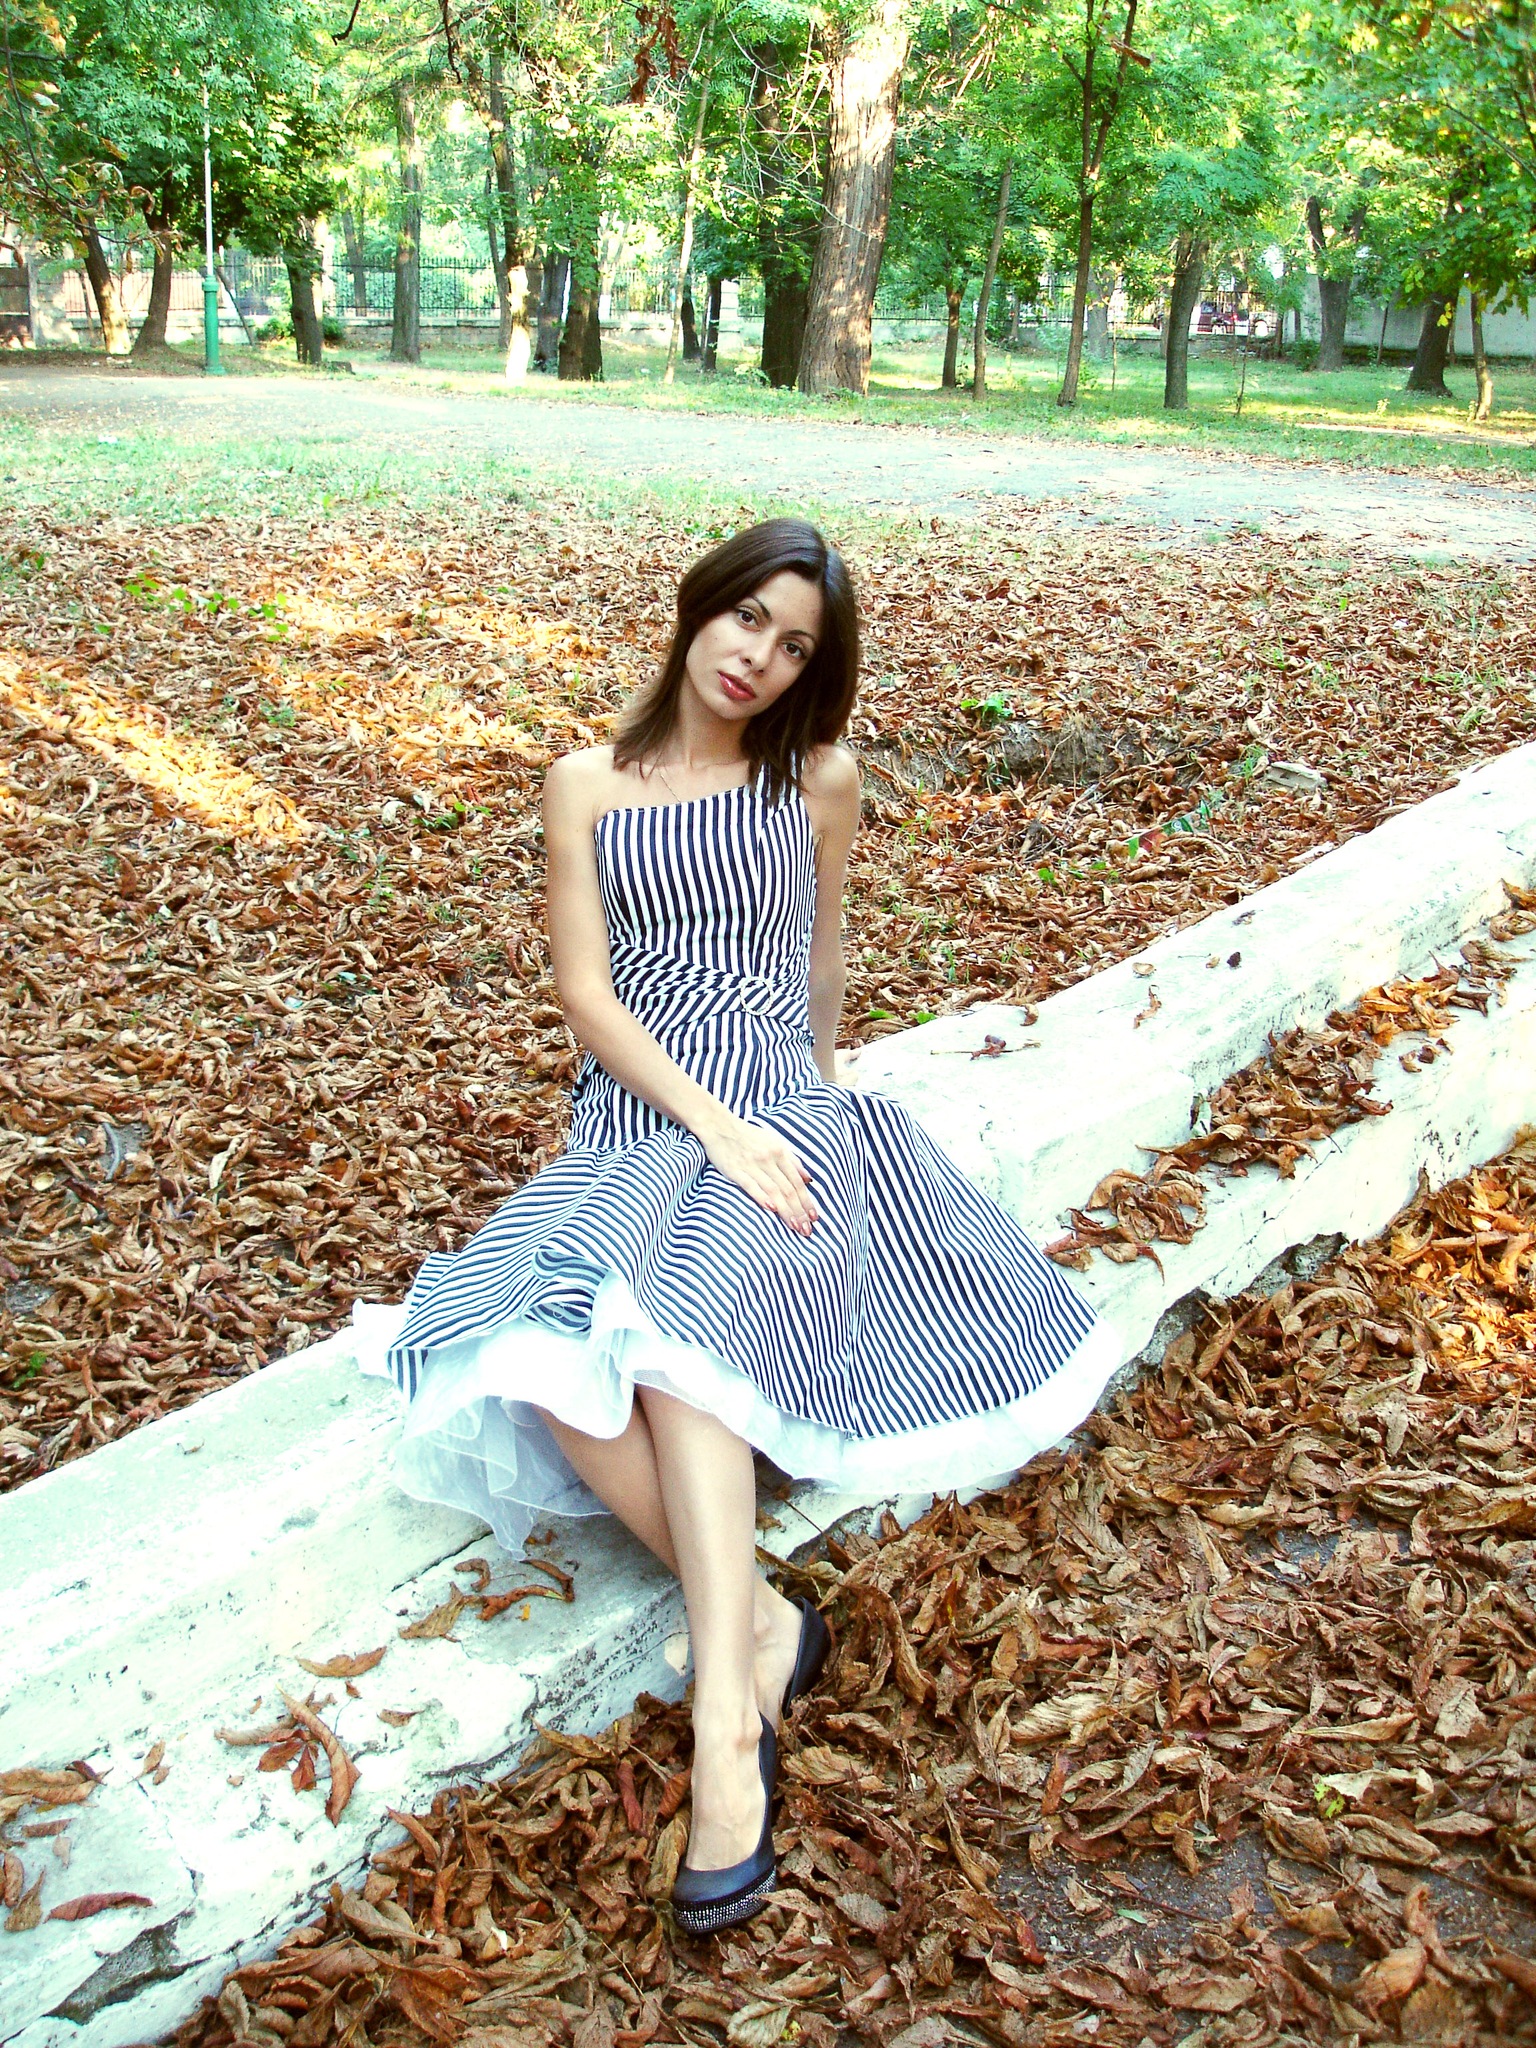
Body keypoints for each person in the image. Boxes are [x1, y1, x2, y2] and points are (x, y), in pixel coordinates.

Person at [353, 518, 1120, 1934]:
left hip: (779, 1106)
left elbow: (819, 973)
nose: (760, 658)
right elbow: (587, 997)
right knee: (537, 1345)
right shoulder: (586, 782)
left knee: (671, 1329)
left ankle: (725, 1730)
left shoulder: (818, 778)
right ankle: (764, 1621)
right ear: (700, 607)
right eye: (749, 619)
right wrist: (708, 1124)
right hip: (642, 1116)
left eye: (796, 646)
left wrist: (826, 1126)